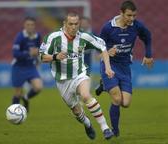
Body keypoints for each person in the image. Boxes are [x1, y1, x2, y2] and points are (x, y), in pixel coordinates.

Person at [39, 12, 115, 140]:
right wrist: (55, 57)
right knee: (77, 111)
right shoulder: (53, 38)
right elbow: (42, 57)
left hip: (80, 74)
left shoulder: (85, 37)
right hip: (62, 80)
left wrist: (108, 67)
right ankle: (87, 123)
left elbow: (103, 48)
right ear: (64, 24)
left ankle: (105, 128)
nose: (74, 27)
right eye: (70, 24)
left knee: (86, 95)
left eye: (76, 24)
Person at [95, 0, 154, 136]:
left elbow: (148, 36)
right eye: (129, 15)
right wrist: (107, 52)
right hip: (109, 65)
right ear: (121, 13)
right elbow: (98, 47)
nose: (131, 19)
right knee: (116, 99)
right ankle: (115, 131)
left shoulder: (137, 26)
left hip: (125, 66)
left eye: (134, 16)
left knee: (125, 103)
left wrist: (148, 55)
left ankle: (104, 86)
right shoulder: (108, 28)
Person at [11, 16, 43, 112]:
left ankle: (25, 97)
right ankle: (14, 113)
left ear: (35, 26)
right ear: (24, 25)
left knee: (38, 87)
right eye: (28, 25)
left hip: (30, 66)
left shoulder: (37, 36)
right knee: (17, 93)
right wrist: (28, 53)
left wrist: (38, 56)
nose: (30, 26)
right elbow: (15, 54)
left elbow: (38, 50)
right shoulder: (20, 37)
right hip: (18, 67)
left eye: (32, 25)